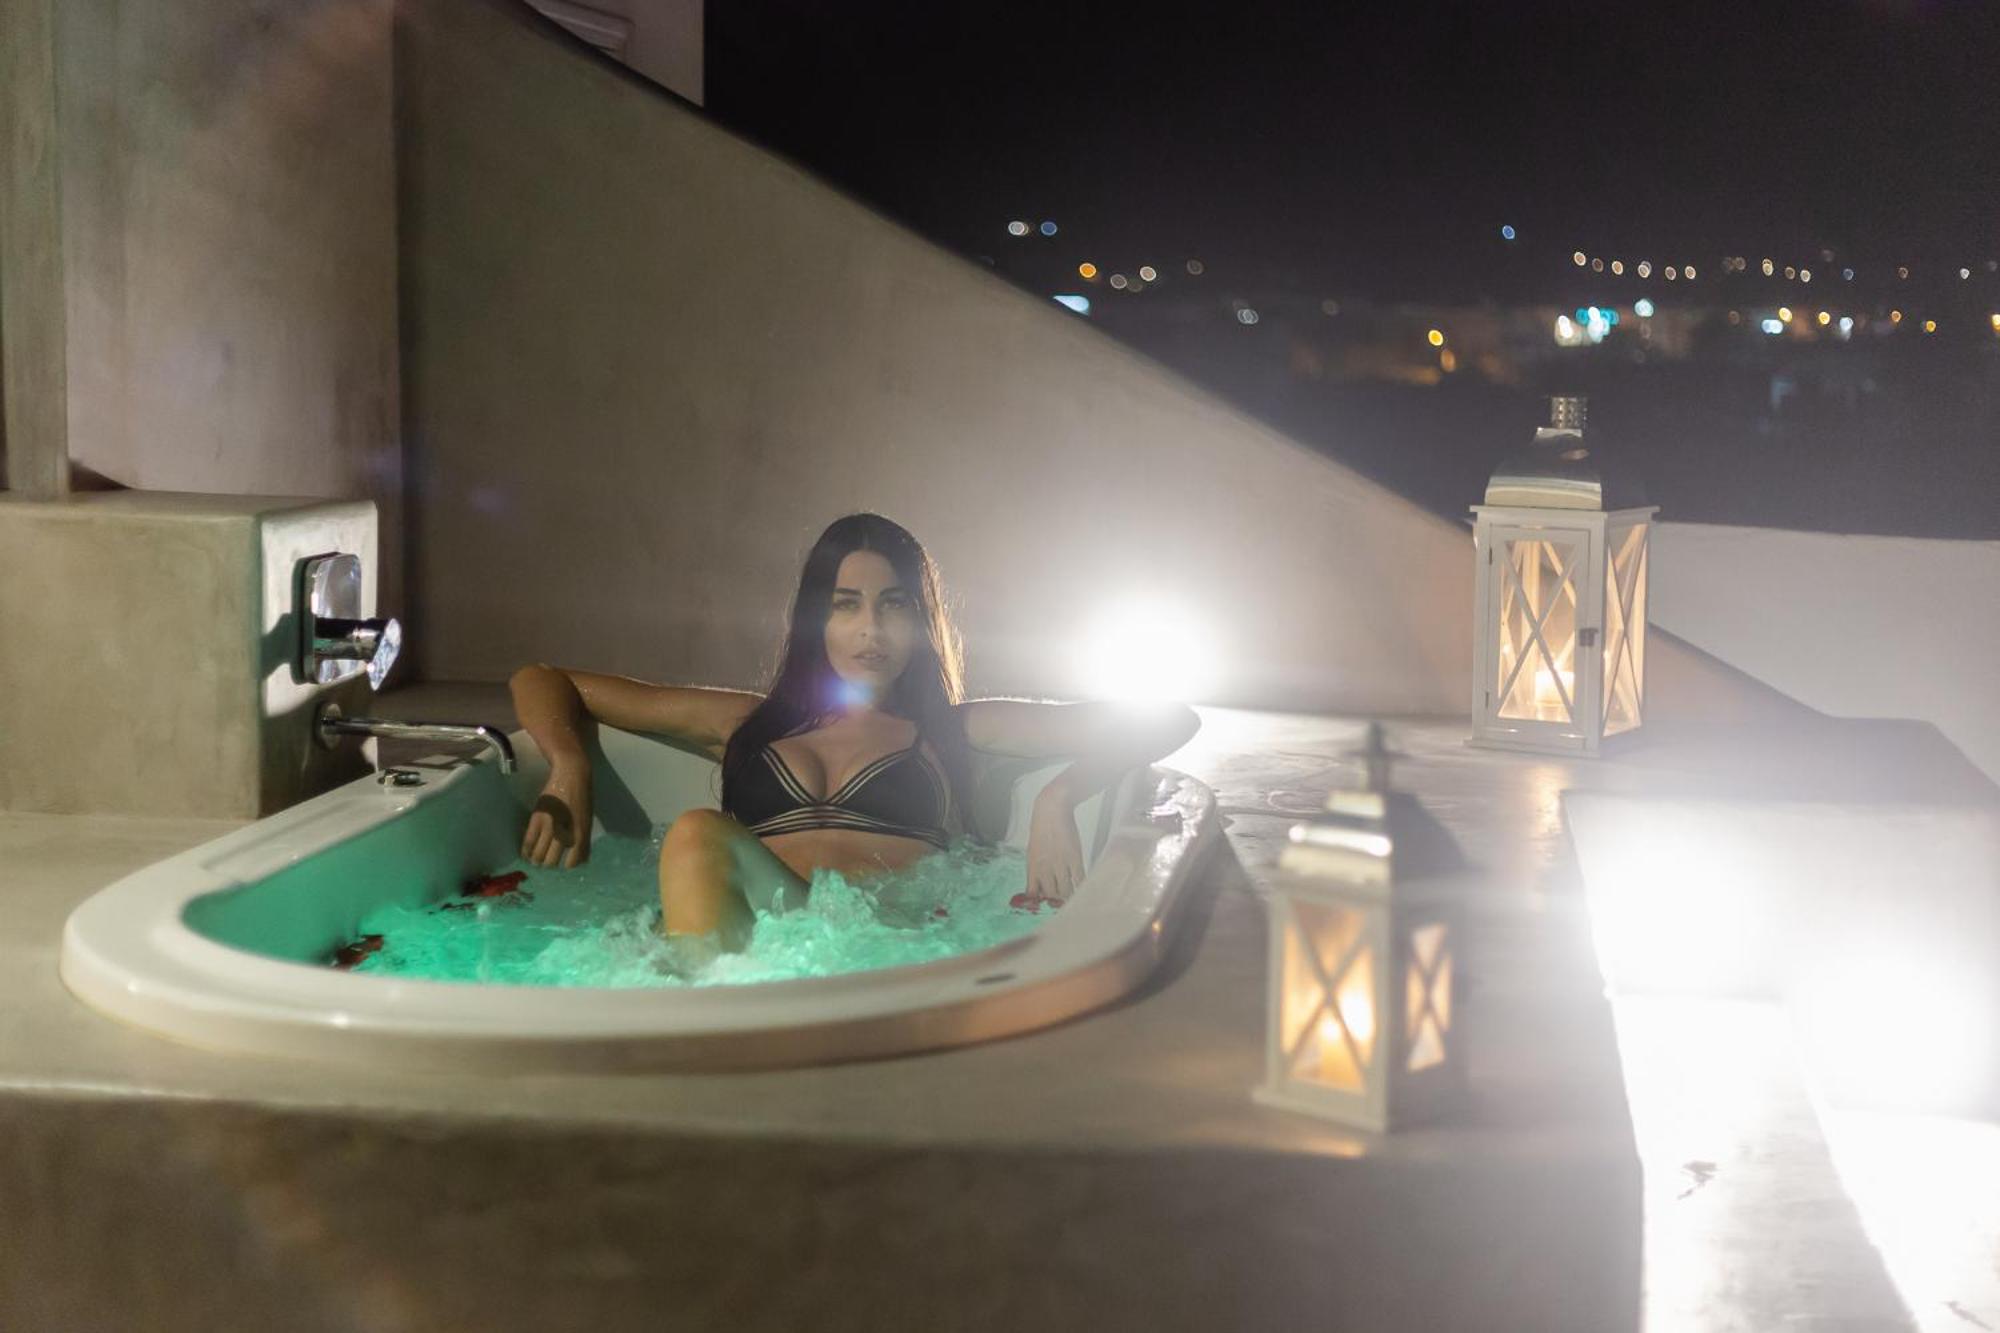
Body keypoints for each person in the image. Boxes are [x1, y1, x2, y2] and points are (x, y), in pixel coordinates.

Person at [509, 512, 1200, 963]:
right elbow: (541, 679)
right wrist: (568, 764)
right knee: (695, 841)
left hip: (873, 945)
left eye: (893, 605)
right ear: (818, 620)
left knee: (694, 834)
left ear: (921, 623)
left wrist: (1061, 795)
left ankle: (688, 1031)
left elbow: (1168, 716)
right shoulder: (750, 723)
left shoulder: (951, 729)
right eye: (847, 606)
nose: (872, 630)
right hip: (759, 943)